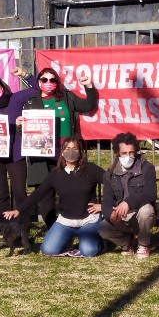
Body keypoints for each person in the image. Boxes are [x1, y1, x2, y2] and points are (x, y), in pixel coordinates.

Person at [21, 67, 98, 226]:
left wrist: (89, 86)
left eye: (52, 80)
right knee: (45, 194)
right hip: (41, 154)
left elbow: (88, 105)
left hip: (66, 153)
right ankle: (52, 228)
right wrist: (19, 125)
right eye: (44, 80)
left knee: (72, 189)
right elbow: (25, 128)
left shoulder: (67, 97)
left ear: (57, 82)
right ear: (39, 82)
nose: (48, 83)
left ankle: (75, 223)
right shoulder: (31, 100)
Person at [4, 138, 104, 257]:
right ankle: (67, 239)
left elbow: (112, 183)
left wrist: (104, 206)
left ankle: (99, 241)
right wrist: (18, 210)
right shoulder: (55, 174)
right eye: (67, 149)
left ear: (80, 152)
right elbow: (38, 193)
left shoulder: (90, 169)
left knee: (88, 251)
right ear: (62, 152)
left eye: (75, 149)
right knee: (48, 250)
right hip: (66, 221)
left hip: (88, 220)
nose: (71, 152)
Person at [0, 69, 38, 218]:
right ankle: (7, 231)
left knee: (19, 194)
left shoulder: (16, 99)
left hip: (15, 156)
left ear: (2, 86)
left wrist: (25, 75)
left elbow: (38, 88)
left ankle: (22, 228)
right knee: (2, 196)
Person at [99, 132, 157, 258]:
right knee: (102, 228)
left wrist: (128, 202)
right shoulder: (109, 173)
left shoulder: (147, 168)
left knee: (146, 210)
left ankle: (143, 244)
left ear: (136, 151)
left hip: (141, 214)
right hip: (122, 216)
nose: (128, 156)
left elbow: (151, 194)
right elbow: (108, 200)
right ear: (117, 153)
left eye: (131, 152)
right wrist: (110, 215)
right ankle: (127, 243)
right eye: (124, 153)